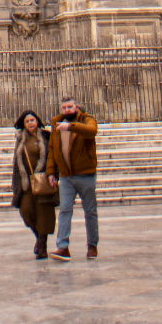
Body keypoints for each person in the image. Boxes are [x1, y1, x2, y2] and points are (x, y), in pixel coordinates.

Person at [46, 96, 100, 261]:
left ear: (77, 108)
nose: (67, 110)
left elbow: (92, 131)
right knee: (64, 211)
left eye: (70, 107)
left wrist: (71, 127)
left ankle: (92, 245)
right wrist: (51, 172)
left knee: (90, 211)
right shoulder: (56, 124)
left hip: (86, 174)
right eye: (64, 108)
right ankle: (62, 247)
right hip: (67, 176)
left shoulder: (87, 120)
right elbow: (52, 150)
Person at [11, 110, 57, 259]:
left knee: (44, 213)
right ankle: (38, 237)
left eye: (32, 120)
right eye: (27, 121)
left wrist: (53, 175)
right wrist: (16, 182)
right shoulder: (20, 139)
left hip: (42, 180)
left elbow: (52, 157)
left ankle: (42, 246)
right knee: (26, 211)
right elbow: (16, 162)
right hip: (26, 183)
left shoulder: (45, 136)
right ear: (23, 124)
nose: (30, 123)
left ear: (37, 121)